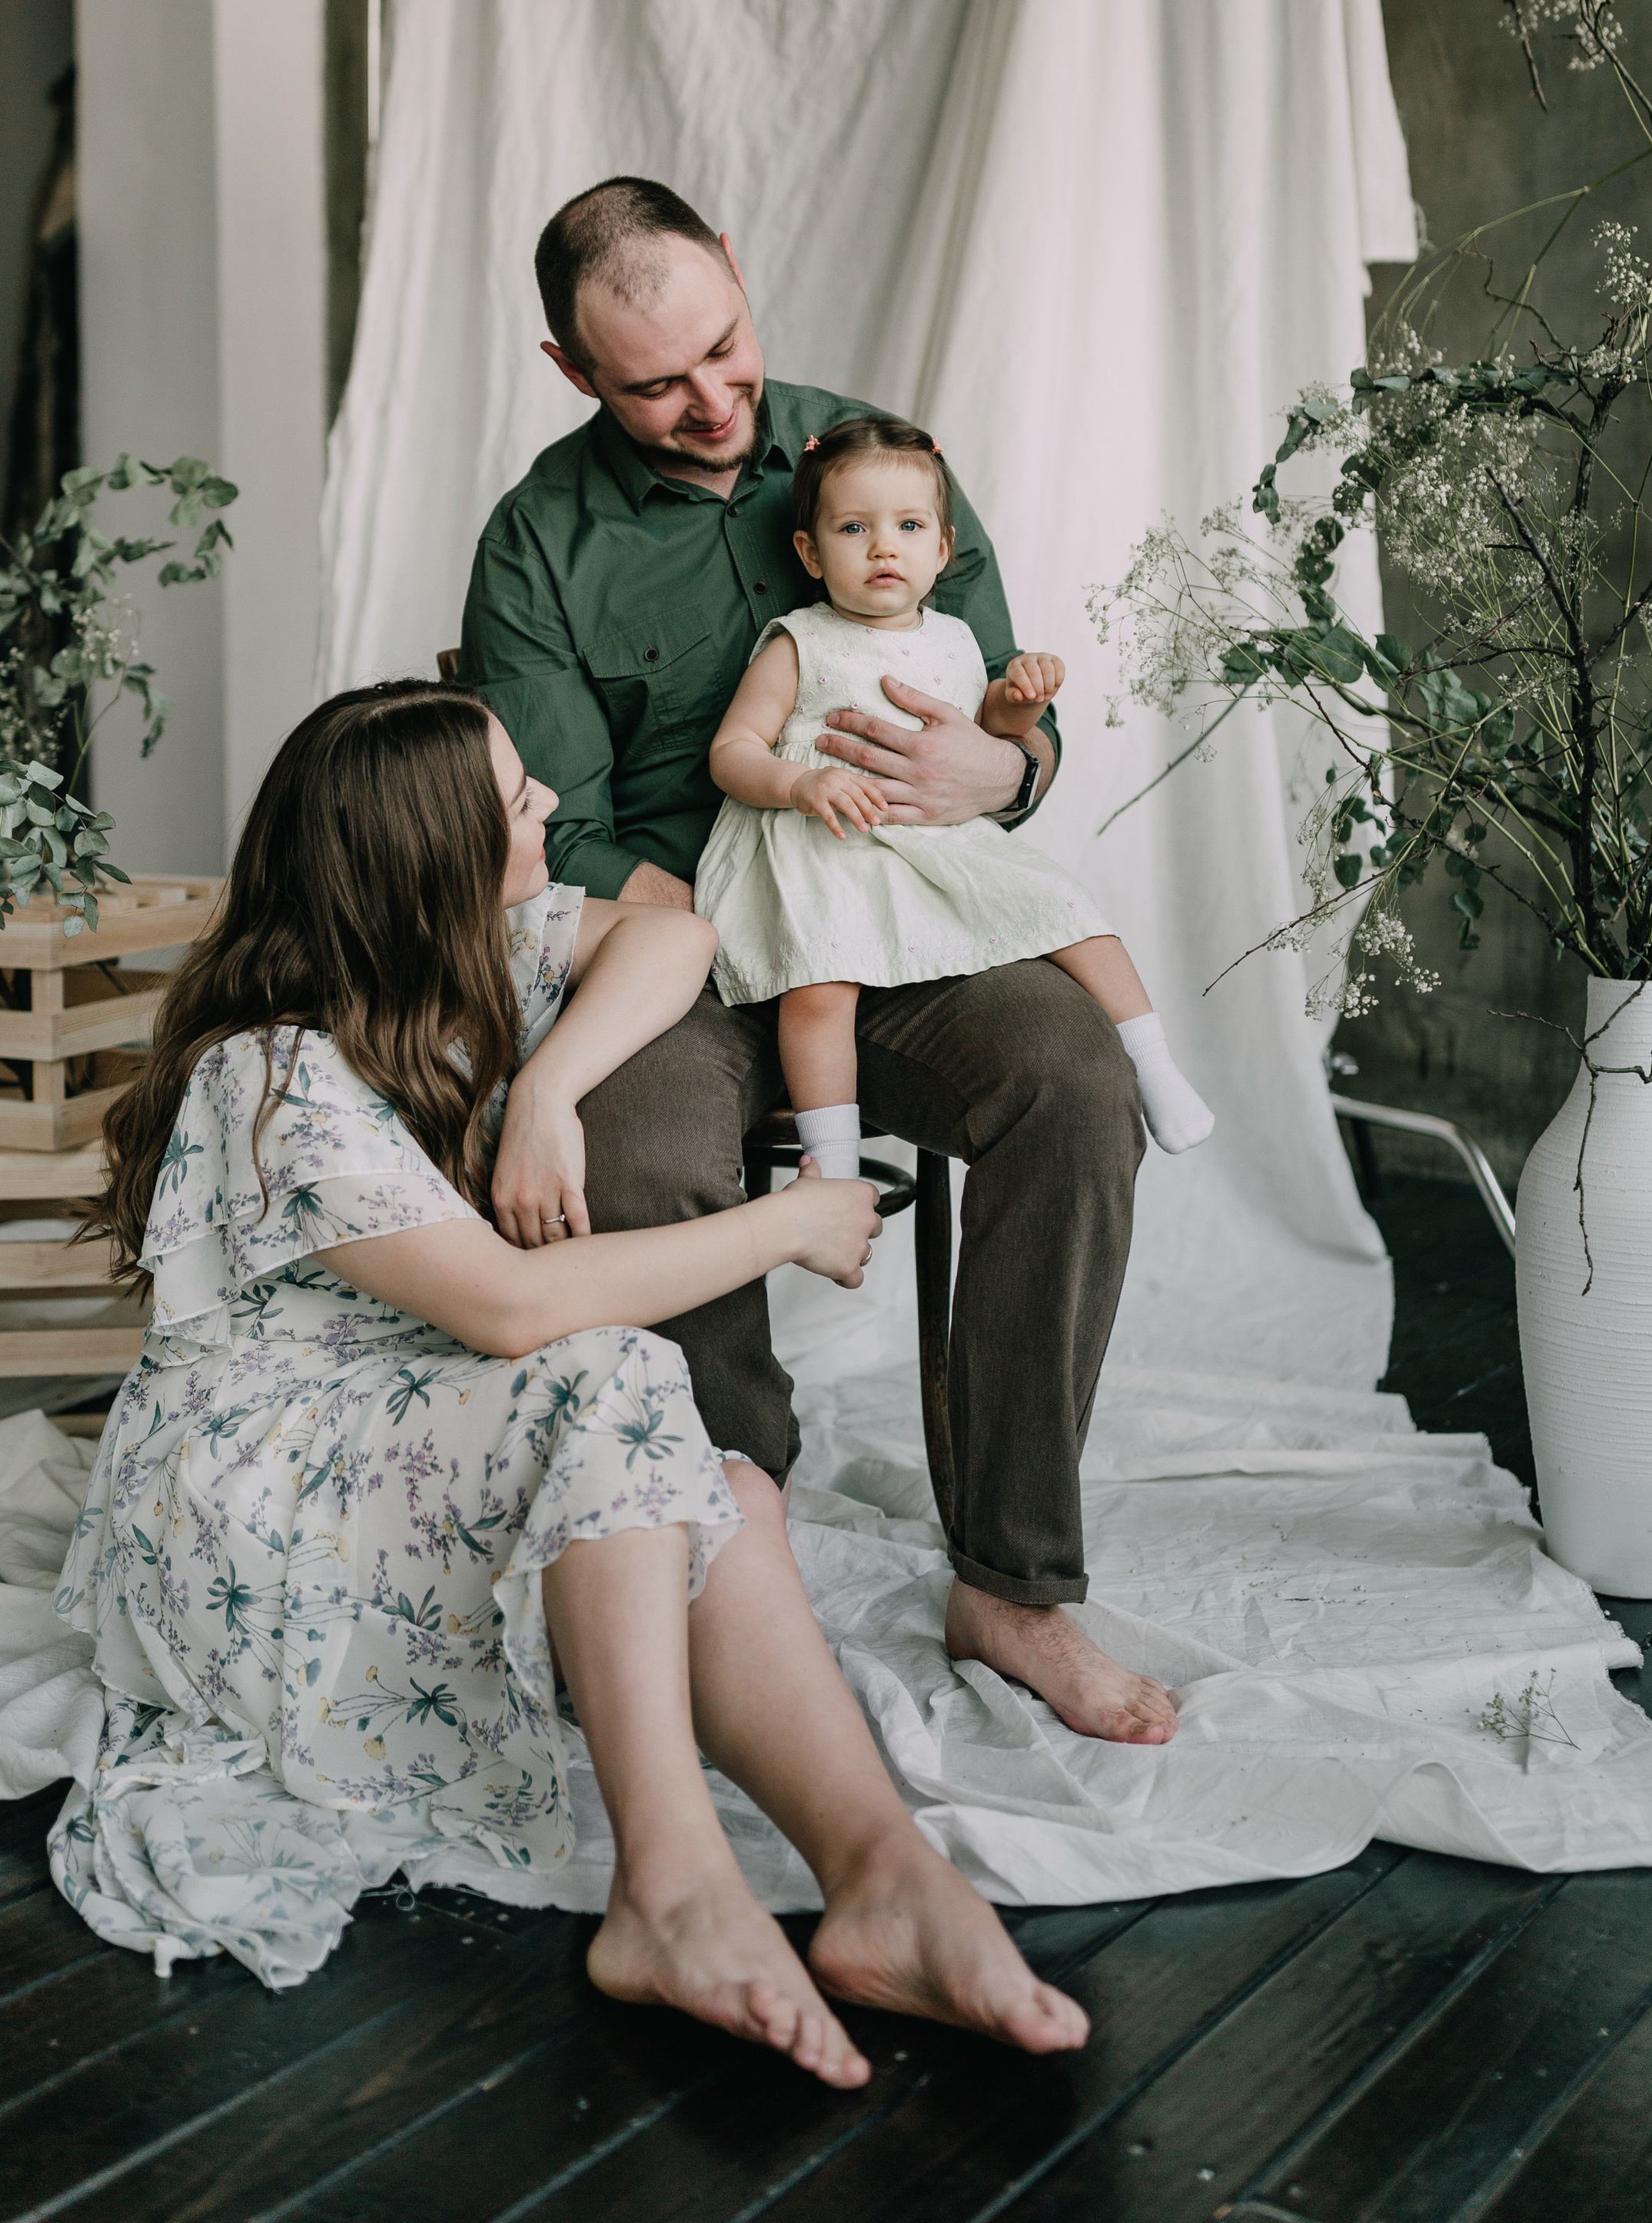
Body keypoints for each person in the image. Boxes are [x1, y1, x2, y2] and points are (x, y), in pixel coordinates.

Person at [55, 680, 1089, 2081]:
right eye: (515, 800)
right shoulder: (276, 1074)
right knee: (607, 1371)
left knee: (730, 1495)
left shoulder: (485, 952)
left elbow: (677, 933)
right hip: (260, 1482)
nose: (548, 806)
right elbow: (511, 1307)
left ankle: (885, 1876)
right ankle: (668, 1892)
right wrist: (787, 1222)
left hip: (412, 1420)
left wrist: (550, 1091)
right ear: (430, 867)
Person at [457, 176, 1181, 1747]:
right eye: (655, 384)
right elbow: (559, 827)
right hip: (683, 945)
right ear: (573, 372)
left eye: (724, 348)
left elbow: (997, 706)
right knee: (633, 1151)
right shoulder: (536, 542)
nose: (714, 403)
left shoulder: (879, 454)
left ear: (734, 273)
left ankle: (1011, 1580)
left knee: (1069, 1079)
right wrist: (707, 928)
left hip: (901, 914)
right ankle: (726, 1547)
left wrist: (1010, 772)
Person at [696, 412, 1215, 1170]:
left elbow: (988, 727)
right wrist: (800, 781)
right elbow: (731, 751)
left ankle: (1156, 1068)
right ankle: (832, 1160)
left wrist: (1022, 702)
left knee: (1070, 914)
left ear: (941, 549)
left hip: (935, 841)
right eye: (852, 529)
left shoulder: (955, 639)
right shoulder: (796, 642)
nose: (882, 546)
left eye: (908, 526)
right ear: (808, 551)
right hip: (830, 847)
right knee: (819, 986)